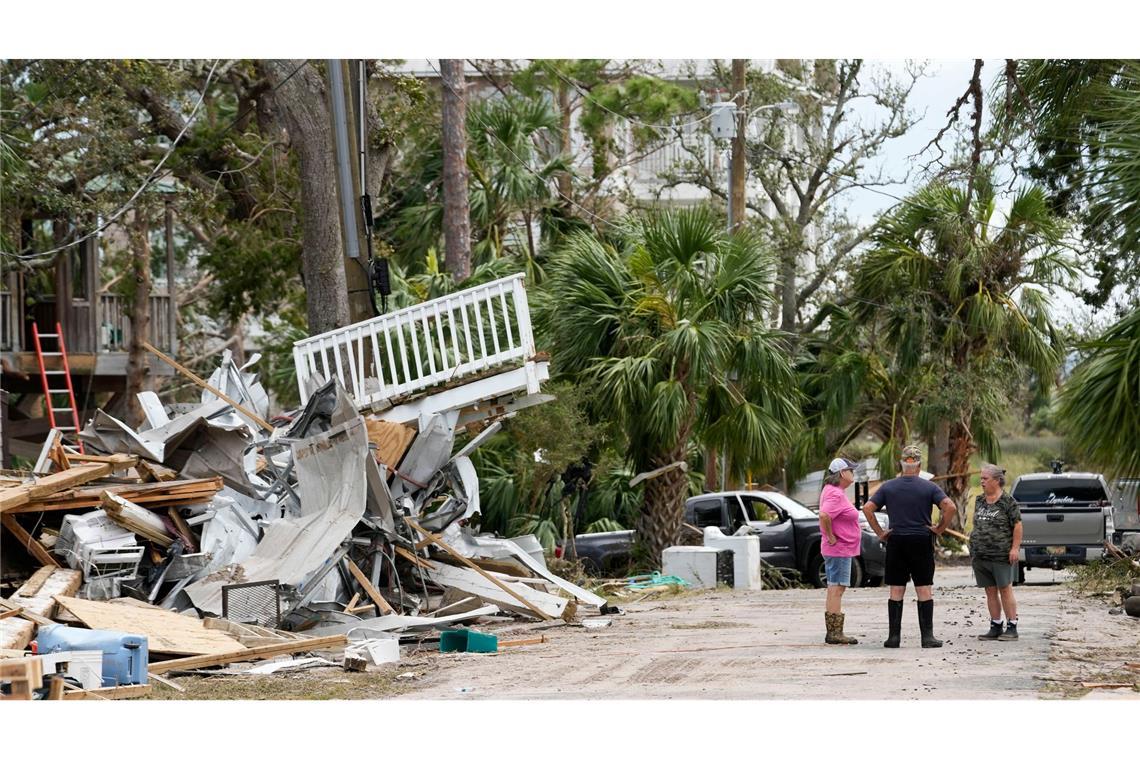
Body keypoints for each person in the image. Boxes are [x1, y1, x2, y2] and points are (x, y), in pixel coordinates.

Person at [862, 445, 957, 648]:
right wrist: (939, 528)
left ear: (901, 463)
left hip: (897, 540)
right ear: (919, 465)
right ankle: (927, 637)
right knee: (924, 588)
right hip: (921, 540)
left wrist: (880, 533)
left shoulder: (888, 487)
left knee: (896, 589)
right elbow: (950, 506)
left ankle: (894, 637)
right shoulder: (929, 487)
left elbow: (868, 508)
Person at [971, 463, 1022, 641]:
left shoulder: (1008, 502)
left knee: (1005, 589)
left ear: (996, 480)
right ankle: (995, 625)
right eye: (981, 478)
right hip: (981, 555)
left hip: (1001, 555)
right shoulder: (979, 500)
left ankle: (1012, 626)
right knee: (990, 591)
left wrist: (1015, 548)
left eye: (985, 478)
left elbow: (1017, 525)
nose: (981, 481)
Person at [819, 457, 861, 644]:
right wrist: (831, 536)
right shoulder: (835, 494)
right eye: (851, 470)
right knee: (837, 589)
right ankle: (835, 633)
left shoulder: (833, 491)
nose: (853, 473)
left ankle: (833, 632)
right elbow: (824, 515)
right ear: (842, 473)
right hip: (839, 549)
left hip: (838, 548)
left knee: (833, 587)